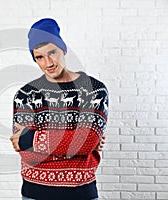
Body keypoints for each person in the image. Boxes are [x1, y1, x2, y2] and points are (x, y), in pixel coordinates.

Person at [10, 18, 109, 200]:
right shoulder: (25, 94)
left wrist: (32, 138)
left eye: (52, 52)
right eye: (39, 57)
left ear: (63, 49)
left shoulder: (93, 89)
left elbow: (87, 141)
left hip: (81, 194)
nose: (48, 63)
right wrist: (74, 141)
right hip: (34, 194)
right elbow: (26, 153)